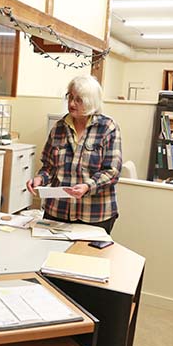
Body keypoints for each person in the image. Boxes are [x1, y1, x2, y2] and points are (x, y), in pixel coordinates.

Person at [26, 76, 122, 234]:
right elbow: (49, 167)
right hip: (58, 211)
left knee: (88, 258)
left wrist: (87, 186)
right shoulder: (58, 128)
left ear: (91, 101)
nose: (71, 103)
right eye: (70, 97)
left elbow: (112, 172)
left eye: (78, 100)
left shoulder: (107, 128)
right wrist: (40, 178)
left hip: (94, 214)